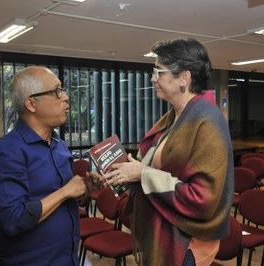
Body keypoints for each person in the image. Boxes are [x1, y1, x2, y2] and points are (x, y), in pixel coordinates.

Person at [90, 38, 234, 266]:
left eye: (159, 71)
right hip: (162, 233)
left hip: (186, 245)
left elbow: (204, 199)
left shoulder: (207, 120)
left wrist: (142, 174)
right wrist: (119, 172)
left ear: (184, 78)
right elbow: (154, 169)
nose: (152, 78)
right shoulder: (174, 117)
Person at [0, 66, 100, 265]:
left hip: (66, 258)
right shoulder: (6, 152)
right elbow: (12, 220)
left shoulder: (59, 146)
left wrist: (85, 191)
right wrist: (65, 191)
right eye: (57, 91)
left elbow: (64, 202)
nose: (66, 97)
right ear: (31, 104)